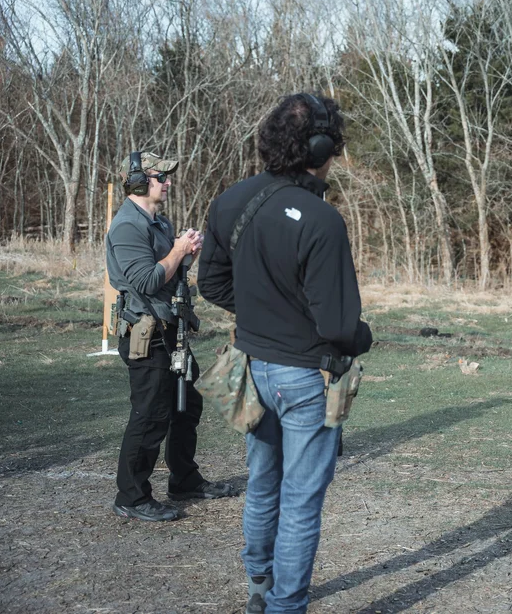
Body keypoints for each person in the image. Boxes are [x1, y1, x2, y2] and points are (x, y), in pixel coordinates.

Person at [198, 93, 373, 613]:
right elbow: (339, 326)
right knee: (300, 501)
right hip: (305, 378)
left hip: (251, 368)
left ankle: (260, 581)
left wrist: (259, 313)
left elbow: (211, 282)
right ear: (320, 147)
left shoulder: (229, 200)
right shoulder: (322, 220)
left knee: (263, 482)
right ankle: (285, 605)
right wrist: (364, 336)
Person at [106, 152, 234, 523]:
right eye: (162, 177)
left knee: (186, 407)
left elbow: (169, 276)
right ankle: (131, 495)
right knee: (151, 415)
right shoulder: (128, 226)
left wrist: (186, 254)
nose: (168, 183)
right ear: (141, 181)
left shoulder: (158, 222)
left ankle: (184, 479)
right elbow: (145, 281)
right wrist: (178, 250)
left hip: (170, 330)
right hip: (147, 335)